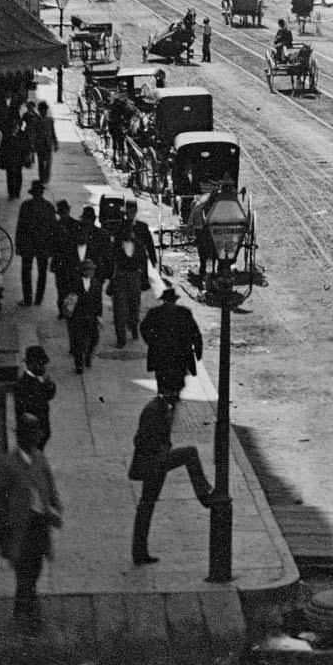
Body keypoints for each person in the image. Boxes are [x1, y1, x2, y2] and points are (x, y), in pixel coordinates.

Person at [0, 411, 62, 631]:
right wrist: (0, 533)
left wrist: (55, 508)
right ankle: (25, 617)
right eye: (34, 433)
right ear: (23, 437)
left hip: (39, 525)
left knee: (34, 570)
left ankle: (26, 612)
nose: (39, 436)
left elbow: (50, 487)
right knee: (25, 574)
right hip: (20, 530)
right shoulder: (9, 465)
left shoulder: (39, 458)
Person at [129, 391, 213, 564]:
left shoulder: (162, 407)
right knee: (190, 453)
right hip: (152, 463)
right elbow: (140, 439)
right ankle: (203, 494)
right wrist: (158, 452)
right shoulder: (154, 410)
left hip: (154, 463)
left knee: (146, 505)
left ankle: (139, 551)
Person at [141, 285, 203, 402]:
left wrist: (152, 342)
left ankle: (166, 397)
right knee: (174, 378)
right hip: (178, 353)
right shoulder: (183, 313)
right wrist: (198, 349)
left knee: (166, 378)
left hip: (164, 353)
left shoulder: (156, 313)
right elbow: (195, 332)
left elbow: (144, 328)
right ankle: (170, 397)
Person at [106, 223, 152, 348]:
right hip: (120, 278)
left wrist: (144, 280)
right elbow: (110, 263)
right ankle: (121, 338)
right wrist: (110, 279)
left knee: (134, 307)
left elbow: (144, 263)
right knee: (119, 310)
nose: (130, 234)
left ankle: (133, 327)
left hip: (134, 278)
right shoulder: (116, 246)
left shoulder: (139, 245)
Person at [15, 182, 56, 309]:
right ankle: (38, 298)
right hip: (42, 244)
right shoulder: (49, 207)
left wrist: (18, 244)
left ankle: (28, 298)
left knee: (26, 271)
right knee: (41, 271)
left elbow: (20, 227)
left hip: (28, 243)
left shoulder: (26, 206)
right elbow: (53, 228)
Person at [12, 345, 56, 448]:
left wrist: (50, 385)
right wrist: (37, 431)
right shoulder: (23, 385)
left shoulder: (40, 379)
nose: (44, 367)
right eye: (40, 364)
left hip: (42, 428)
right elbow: (25, 411)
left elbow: (49, 396)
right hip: (32, 432)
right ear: (31, 365)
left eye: (44, 364)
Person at [62, 260, 101, 372]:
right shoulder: (74, 283)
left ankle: (88, 357)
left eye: (92, 269)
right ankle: (79, 365)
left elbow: (98, 301)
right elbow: (69, 300)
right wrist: (68, 314)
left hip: (91, 316)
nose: (90, 272)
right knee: (78, 342)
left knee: (94, 339)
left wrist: (99, 315)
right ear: (82, 271)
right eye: (87, 269)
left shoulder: (96, 283)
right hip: (77, 317)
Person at [0, 119, 32, 203]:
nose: (15, 128)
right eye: (13, 126)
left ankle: (17, 192)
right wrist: (0, 158)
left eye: (16, 126)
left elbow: (28, 146)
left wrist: (27, 156)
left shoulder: (23, 135)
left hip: (19, 159)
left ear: (19, 126)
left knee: (18, 175)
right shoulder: (7, 135)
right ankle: (11, 193)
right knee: (10, 176)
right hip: (9, 159)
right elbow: (2, 147)